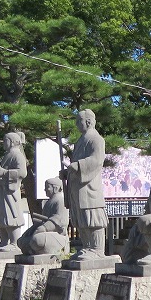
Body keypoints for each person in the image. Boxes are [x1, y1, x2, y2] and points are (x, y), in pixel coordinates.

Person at [64, 109, 108, 259]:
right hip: (78, 186)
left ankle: (97, 249)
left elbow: (97, 160)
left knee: (92, 217)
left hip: (89, 186)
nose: (77, 124)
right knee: (81, 217)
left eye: (79, 121)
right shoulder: (80, 141)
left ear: (88, 122)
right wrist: (67, 172)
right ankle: (87, 246)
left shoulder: (96, 139)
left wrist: (78, 165)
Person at [0, 131, 27, 254]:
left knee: (11, 216)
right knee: (1, 216)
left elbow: (22, 172)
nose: (3, 143)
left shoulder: (18, 155)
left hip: (10, 192)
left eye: (5, 140)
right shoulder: (7, 155)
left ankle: (14, 242)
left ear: (12, 142)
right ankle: (4, 241)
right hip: (1, 191)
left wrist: (4, 172)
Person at [19, 177, 70, 256]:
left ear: (56, 188)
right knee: (22, 241)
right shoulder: (47, 203)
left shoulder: (61, 201)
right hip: (46, 233)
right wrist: (32, 229)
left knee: (37, 240)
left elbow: (60, 220)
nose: (45, 190)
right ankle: (34, 250)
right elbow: (43, 221)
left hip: (58, 235)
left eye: (47, 187)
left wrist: (44, 227)